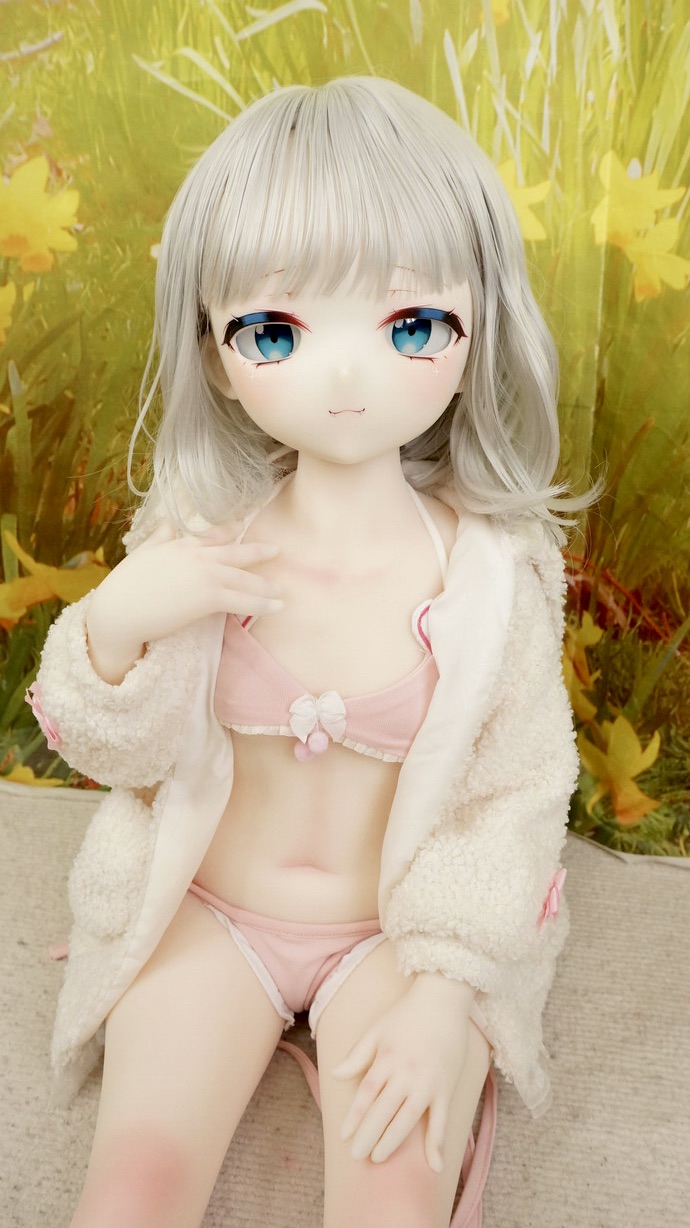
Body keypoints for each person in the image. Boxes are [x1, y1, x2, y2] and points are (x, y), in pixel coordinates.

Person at [29, 77, 581, 1228]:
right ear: (213, 351)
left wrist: (446, 992)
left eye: (408, 325)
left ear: (478, 325)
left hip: (393, 936)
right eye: (276, 331)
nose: (343, 375)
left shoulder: (491, 579)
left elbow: (517, 796)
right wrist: (118, 624)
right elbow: (109, 746)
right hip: (208, 914)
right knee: (129, 1193)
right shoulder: (197, 540)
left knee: (393, 1201)